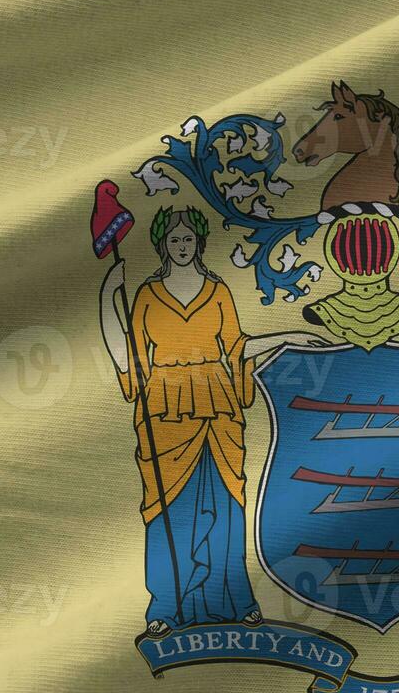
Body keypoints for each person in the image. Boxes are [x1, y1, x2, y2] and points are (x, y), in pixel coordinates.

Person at [100, 205, 324, 637]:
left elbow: (236, 347)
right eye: (174, 240)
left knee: (224, 505)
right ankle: (167, 604)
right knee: (168, 508)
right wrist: (109, 296)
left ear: (198, 243)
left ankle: (234, 599)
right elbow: (129, 354)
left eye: (188, 239)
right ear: (163, 244)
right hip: (166, 412)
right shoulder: (147, 294)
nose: (181, 247)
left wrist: (288, 336)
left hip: (217, 407)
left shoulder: (218, 291)